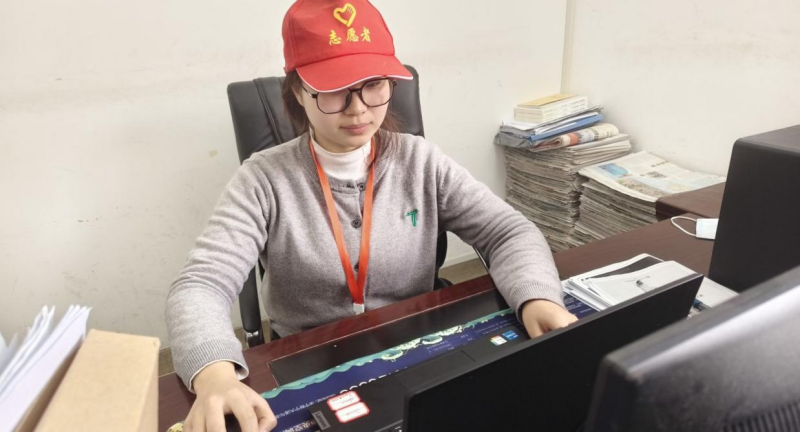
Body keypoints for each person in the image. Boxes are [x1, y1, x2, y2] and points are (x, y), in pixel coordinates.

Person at [166, 1, 578, 431]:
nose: (359, 108)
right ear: (298, 92)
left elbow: (508, 231)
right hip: (308, 364)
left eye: (373, 85)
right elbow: (201, 284)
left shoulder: (420, 161)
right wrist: (214, 376)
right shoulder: (264, 179)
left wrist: (537, 297)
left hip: (419, 347)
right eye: (335, 89)